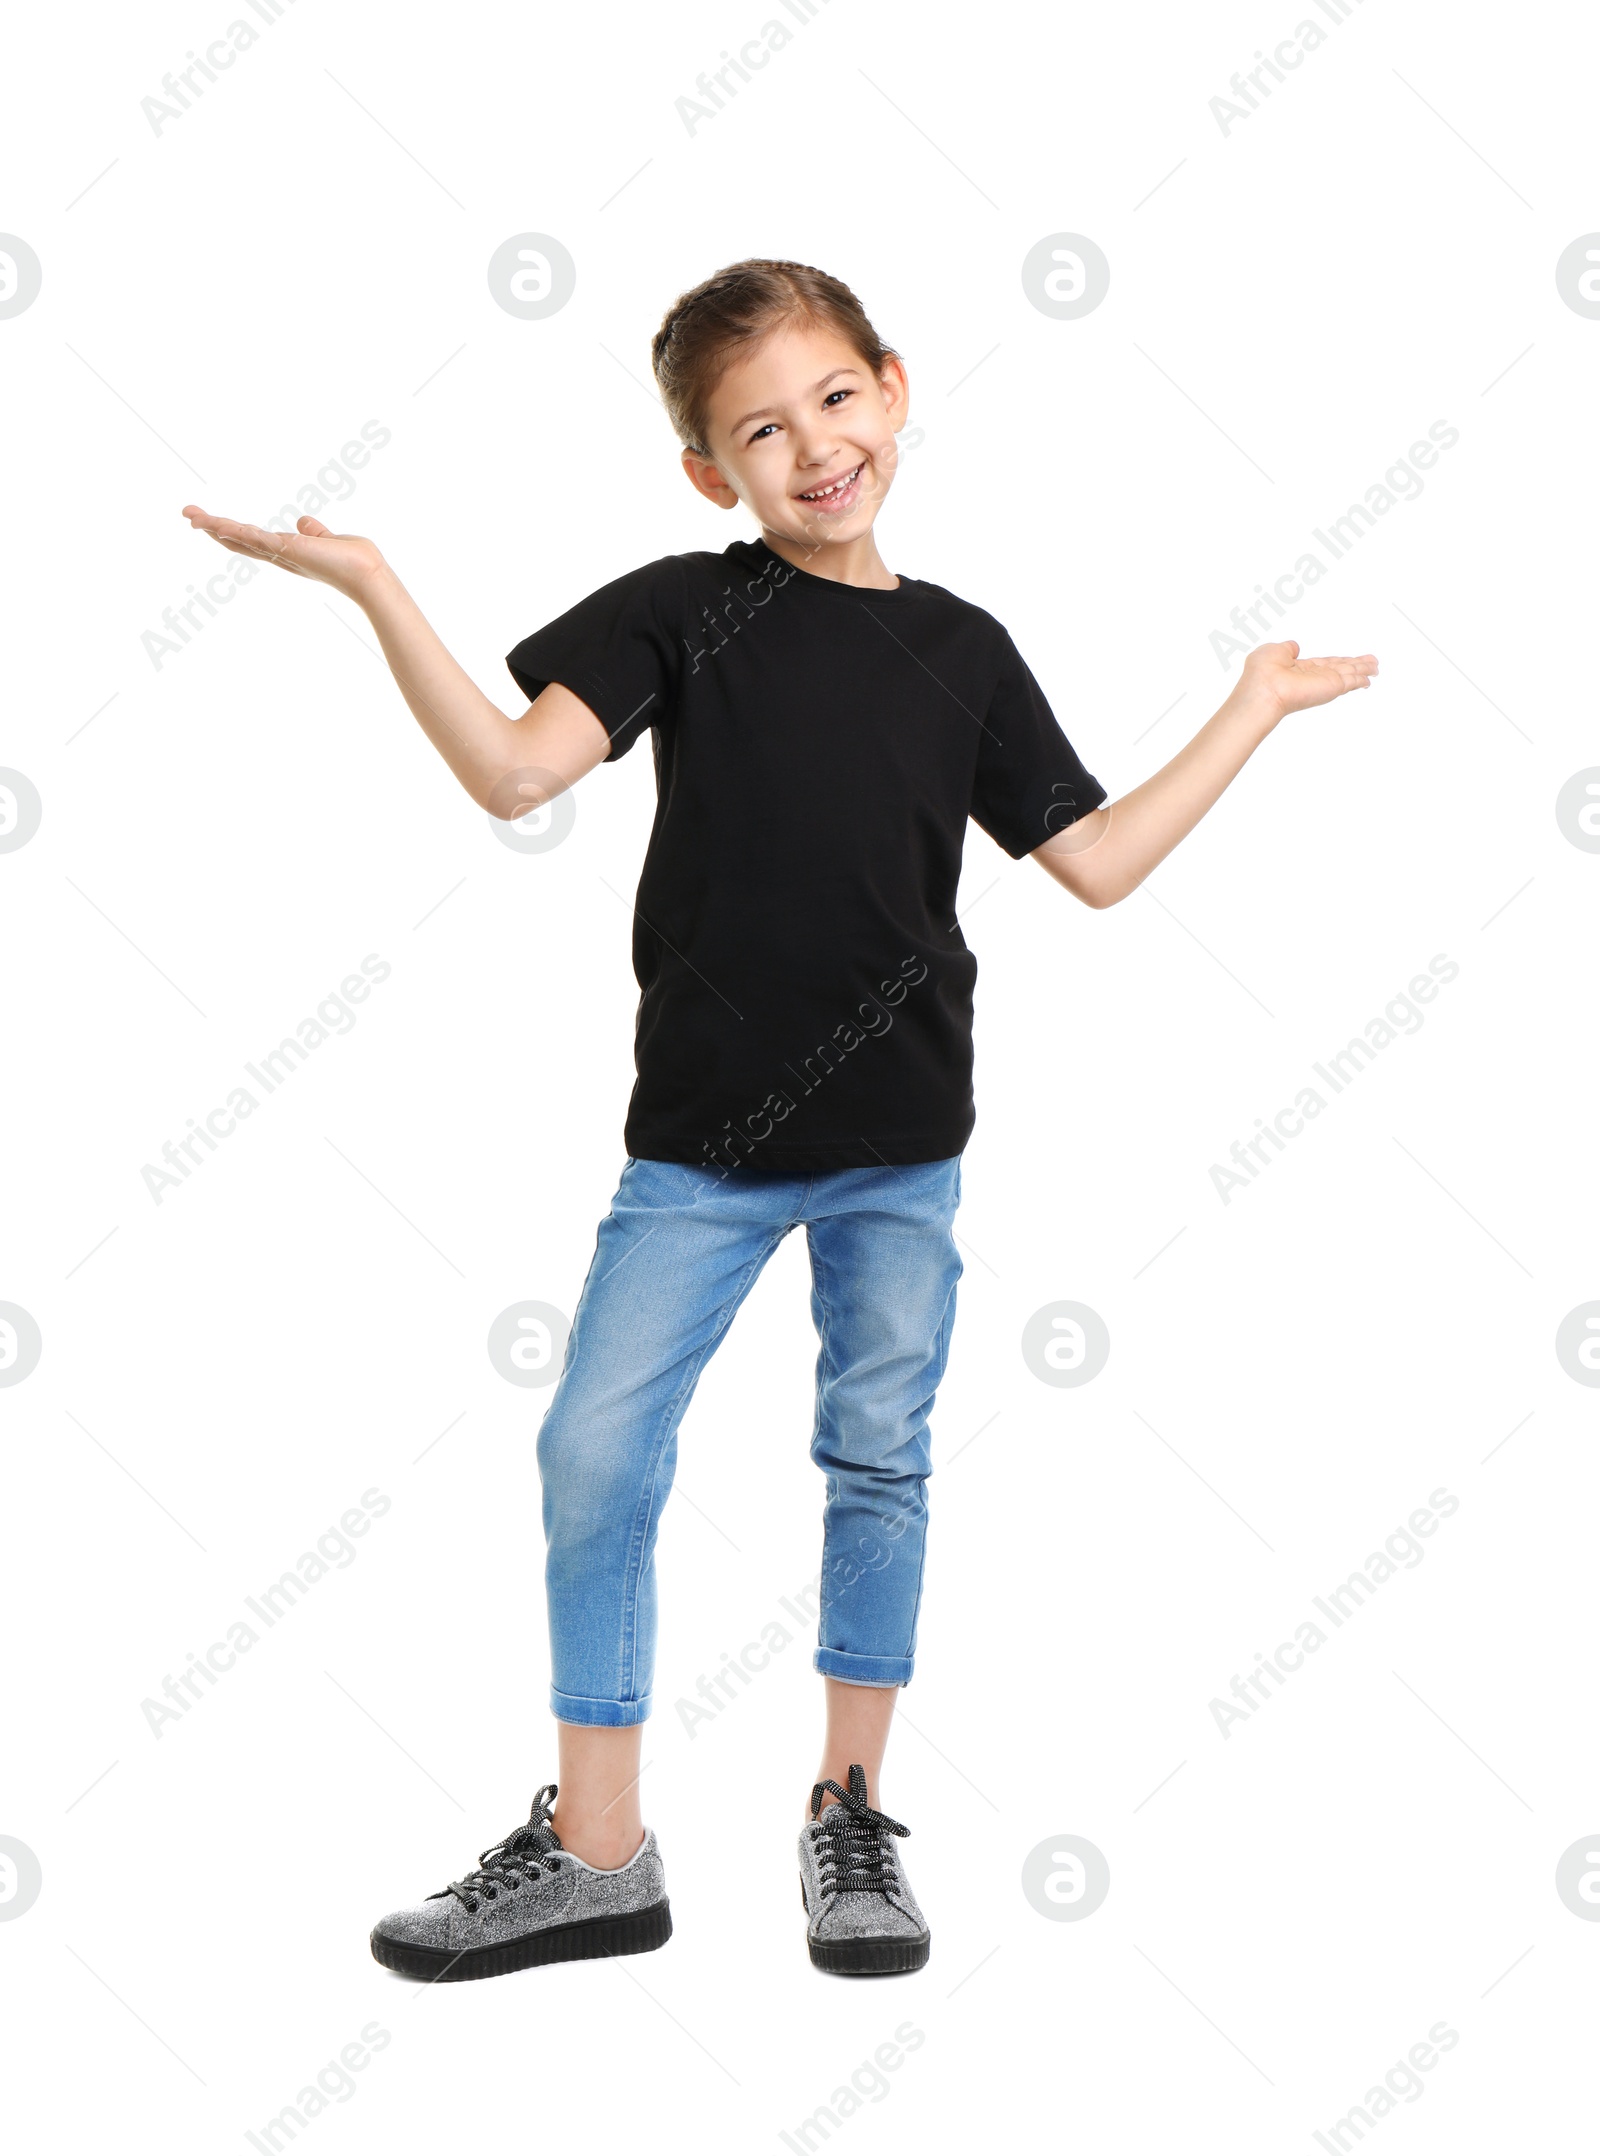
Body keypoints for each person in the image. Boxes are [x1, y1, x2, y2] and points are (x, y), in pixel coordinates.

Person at [182, 257, 1376, 1982]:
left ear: (894, 388)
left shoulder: (964, 646)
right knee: (594, 1452)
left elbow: (1096, 864)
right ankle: (599, 1851)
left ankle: (850, 1816)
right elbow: (521, 772)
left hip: (904, 1141)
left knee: (876, 1460)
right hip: (703, 1152)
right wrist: (373, 583)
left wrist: (1250, 708)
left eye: (834, 399)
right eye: (762, 429)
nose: (813, 446)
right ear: (709, 474)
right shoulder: (685, 605)